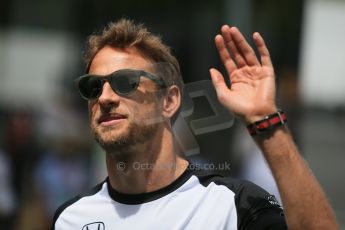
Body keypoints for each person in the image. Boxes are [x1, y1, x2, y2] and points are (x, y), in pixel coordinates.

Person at [52, 19, 338, 229]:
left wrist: (266, 120)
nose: (104, 97)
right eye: (93, 86)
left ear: (169, 101)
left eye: (124, 82)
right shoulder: (71, 218)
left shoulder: (233, 206)